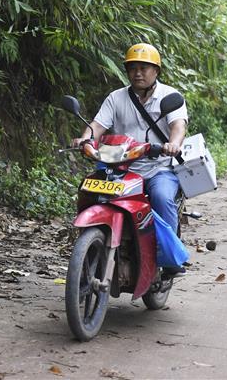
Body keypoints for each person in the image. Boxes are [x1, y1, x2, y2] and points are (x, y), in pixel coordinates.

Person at [70, 42, 188, 276]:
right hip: (119, 168)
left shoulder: (170, 96)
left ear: (156, 71)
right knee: (93, 193)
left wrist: (173, 144)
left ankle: (169, 259)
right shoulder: (116, 98)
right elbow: (97, 126)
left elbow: (178, 126)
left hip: (157, 168)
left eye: (145, 67)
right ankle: (93, 245)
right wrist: (85, 139)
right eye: (133, 67)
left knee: (162, 197)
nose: (138, 72)